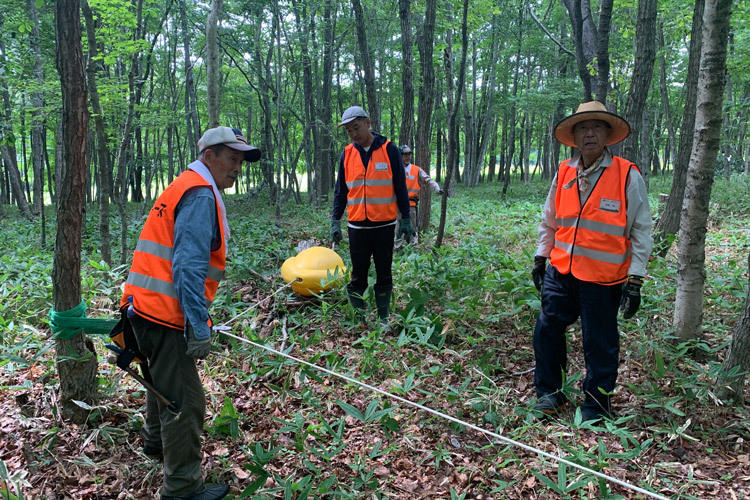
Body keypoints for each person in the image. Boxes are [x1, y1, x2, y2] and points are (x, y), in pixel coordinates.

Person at [121, 126, 260, 500]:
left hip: (142, 309)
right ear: (209, 155)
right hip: (165, 316)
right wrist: (198, 323)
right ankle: (182, 488)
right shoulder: (198, 193)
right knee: (186, 401)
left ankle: (156, 444)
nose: (237, 168)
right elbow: (187, 266)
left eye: (241, 161)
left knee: (161, 383)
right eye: (232, 159)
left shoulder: (182, 184)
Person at [531, 101, 653, 422]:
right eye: (582, 128)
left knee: (599, 343)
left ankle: (596, 407)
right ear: (573, 136)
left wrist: (636, 279)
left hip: (603, 277)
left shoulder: (627, 174)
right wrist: (541, 257)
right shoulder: (564, 171)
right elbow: (550, 220)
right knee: (547, 329)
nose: (589, 134)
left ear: (607, 135)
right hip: (561, 271)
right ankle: (550, 395)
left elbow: (642, 230)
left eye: (596, 127)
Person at [330, 106, 415, 330]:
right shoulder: (347, 153)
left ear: (367, 123)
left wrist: (406, 217)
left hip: (384, 225)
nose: (354, 134)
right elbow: (341, 191)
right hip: (357, 226)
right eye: (349, 131)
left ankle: (383, 318)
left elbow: (400, 186)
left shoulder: (389, 150)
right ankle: (359, 318)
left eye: (356, 128)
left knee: (384, 272)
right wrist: (335, 220)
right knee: (358, 274)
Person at [394, 144, 443, 246]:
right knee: (397, 228)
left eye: (409, 154)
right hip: (396, 205)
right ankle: (398, 249)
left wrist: (437, 189)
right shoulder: (395, 169)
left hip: (411, 204)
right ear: (400, 155)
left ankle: (414, 248)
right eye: (405, 154)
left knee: (412, 227)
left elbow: (428, 180)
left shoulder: (416, 170)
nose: (408, 156)